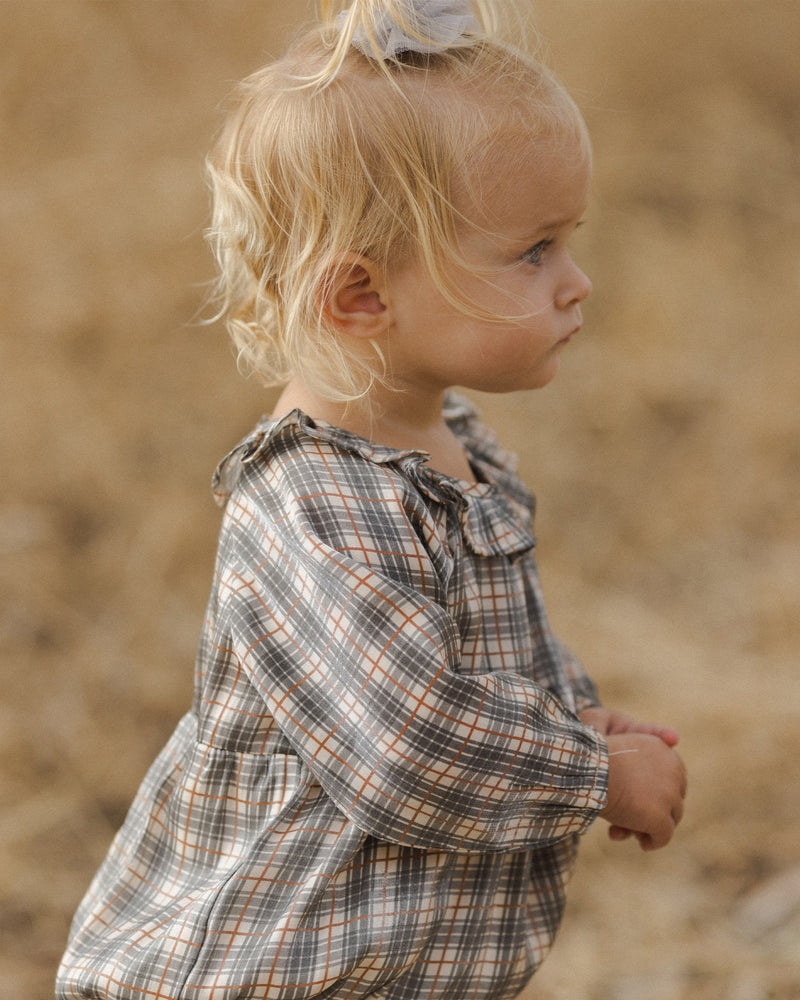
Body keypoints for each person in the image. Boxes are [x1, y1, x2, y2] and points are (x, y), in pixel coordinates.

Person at [56, 1, 687, 997]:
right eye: (532, 252)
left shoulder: (453, 455)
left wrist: (582, 722)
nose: (577, 282)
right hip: (267, 973)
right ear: (361, 298)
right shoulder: (311, 504)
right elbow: (405, 744)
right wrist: (589, 775)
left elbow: (484, 662)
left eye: (567, 242)